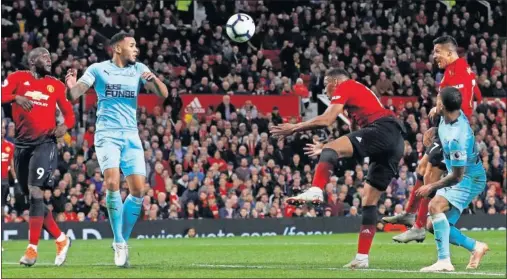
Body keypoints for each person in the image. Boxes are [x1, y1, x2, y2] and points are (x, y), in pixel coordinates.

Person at [270, 68, 405, 268]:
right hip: (394, 142)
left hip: (383, 130)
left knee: (332, 150)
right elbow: (354, 139)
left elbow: (326, 120)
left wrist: (294, 128)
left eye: (326, 84)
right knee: (369, 200)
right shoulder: (357, 104)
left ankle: (316, 191)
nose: (325, 90)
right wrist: (328, 149)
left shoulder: (346, 85)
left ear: (334, 82)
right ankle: (362, 258)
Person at [65, 32, 168, 267]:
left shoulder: (139, 68)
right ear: (117, 48)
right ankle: (120, 243)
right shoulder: (98, 69)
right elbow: (76, 92)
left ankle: (120, 239)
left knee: (139, 191)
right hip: (107, 134)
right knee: (112, 182)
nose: (136, 49)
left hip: (131, 136)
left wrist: (154, 79)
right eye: (132, 45)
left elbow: (164, 94)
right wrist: (71, 85)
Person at [384, 35, 483, 243]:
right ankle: (411, 214)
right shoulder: (458, 70)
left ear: (449, 52)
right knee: (422, 168)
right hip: (444, 127)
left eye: (438, 51)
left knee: (431, 174)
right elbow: (478, 97)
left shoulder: (459, 71)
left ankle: (419, 226)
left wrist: (439, 114)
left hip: (454, 129)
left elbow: (463, 105)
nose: (434, 56)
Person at [1, 47, 75, 266]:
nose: (49, 60)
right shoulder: (17, 78)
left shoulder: (56, 85)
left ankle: (32, 249)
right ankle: (61, 239)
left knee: (35, 191)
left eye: (50, 57)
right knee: (31, 198)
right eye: (44, 57)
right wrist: (16, 97)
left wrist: (65, 127)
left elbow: (69, 114)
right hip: (21, 146)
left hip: (45, 143)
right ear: (32, 61)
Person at [416, 87, 488, 272]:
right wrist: (433, 130)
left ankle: (444, 261)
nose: (435, 103)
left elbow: (457, 176)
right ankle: (476, 247)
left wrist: (431, 186)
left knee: (435, 206)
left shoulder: (457, 138)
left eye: (438, 100)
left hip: (468, 178)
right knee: (434, 226)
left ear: (443, 105)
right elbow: (440, 120)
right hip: (463, 174)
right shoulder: (449, 114)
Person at [1, 126, 16, 206]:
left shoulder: (10, 146)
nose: (1, 130)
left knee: (3, 204)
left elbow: (12, 165)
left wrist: (15, 178)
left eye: (3, 128)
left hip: (5, 179)